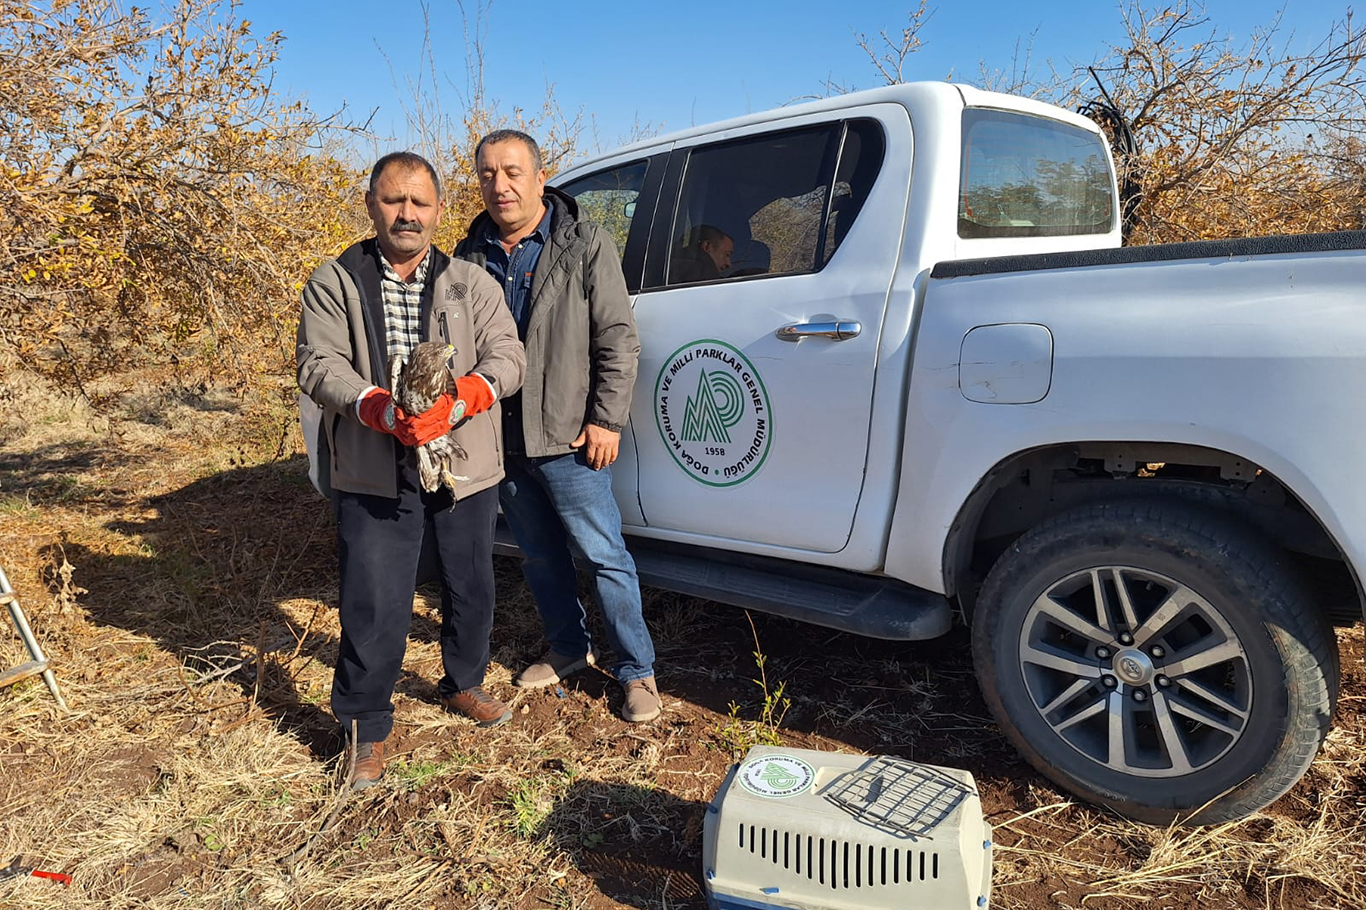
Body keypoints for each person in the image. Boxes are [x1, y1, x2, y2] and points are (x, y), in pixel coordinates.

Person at [297, 151, 526, 789]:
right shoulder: (334, 282)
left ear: (438, 210)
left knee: (469, 584)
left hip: (462, 465)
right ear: (371, 204)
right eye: (394, 200)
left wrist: (466, 397)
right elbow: (318, 365)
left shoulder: (473, 283)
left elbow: (509, 355)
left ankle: (463, 682)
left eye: (420, 203)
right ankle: (365, 727)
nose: (407, 214)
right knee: (374, 599)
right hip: (373, 466)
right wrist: (376, 408)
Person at [454, 129, 662, 723]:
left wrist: (605, 418)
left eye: (513, 171)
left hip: (570, 437)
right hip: (503, 438)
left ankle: (636, 670)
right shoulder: (469, 257)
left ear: (540, 177)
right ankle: (569, 649)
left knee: (603, 556)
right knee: (540, 557)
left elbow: (618, 338)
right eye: (488, 173)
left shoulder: (584, 243)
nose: (501, 185)